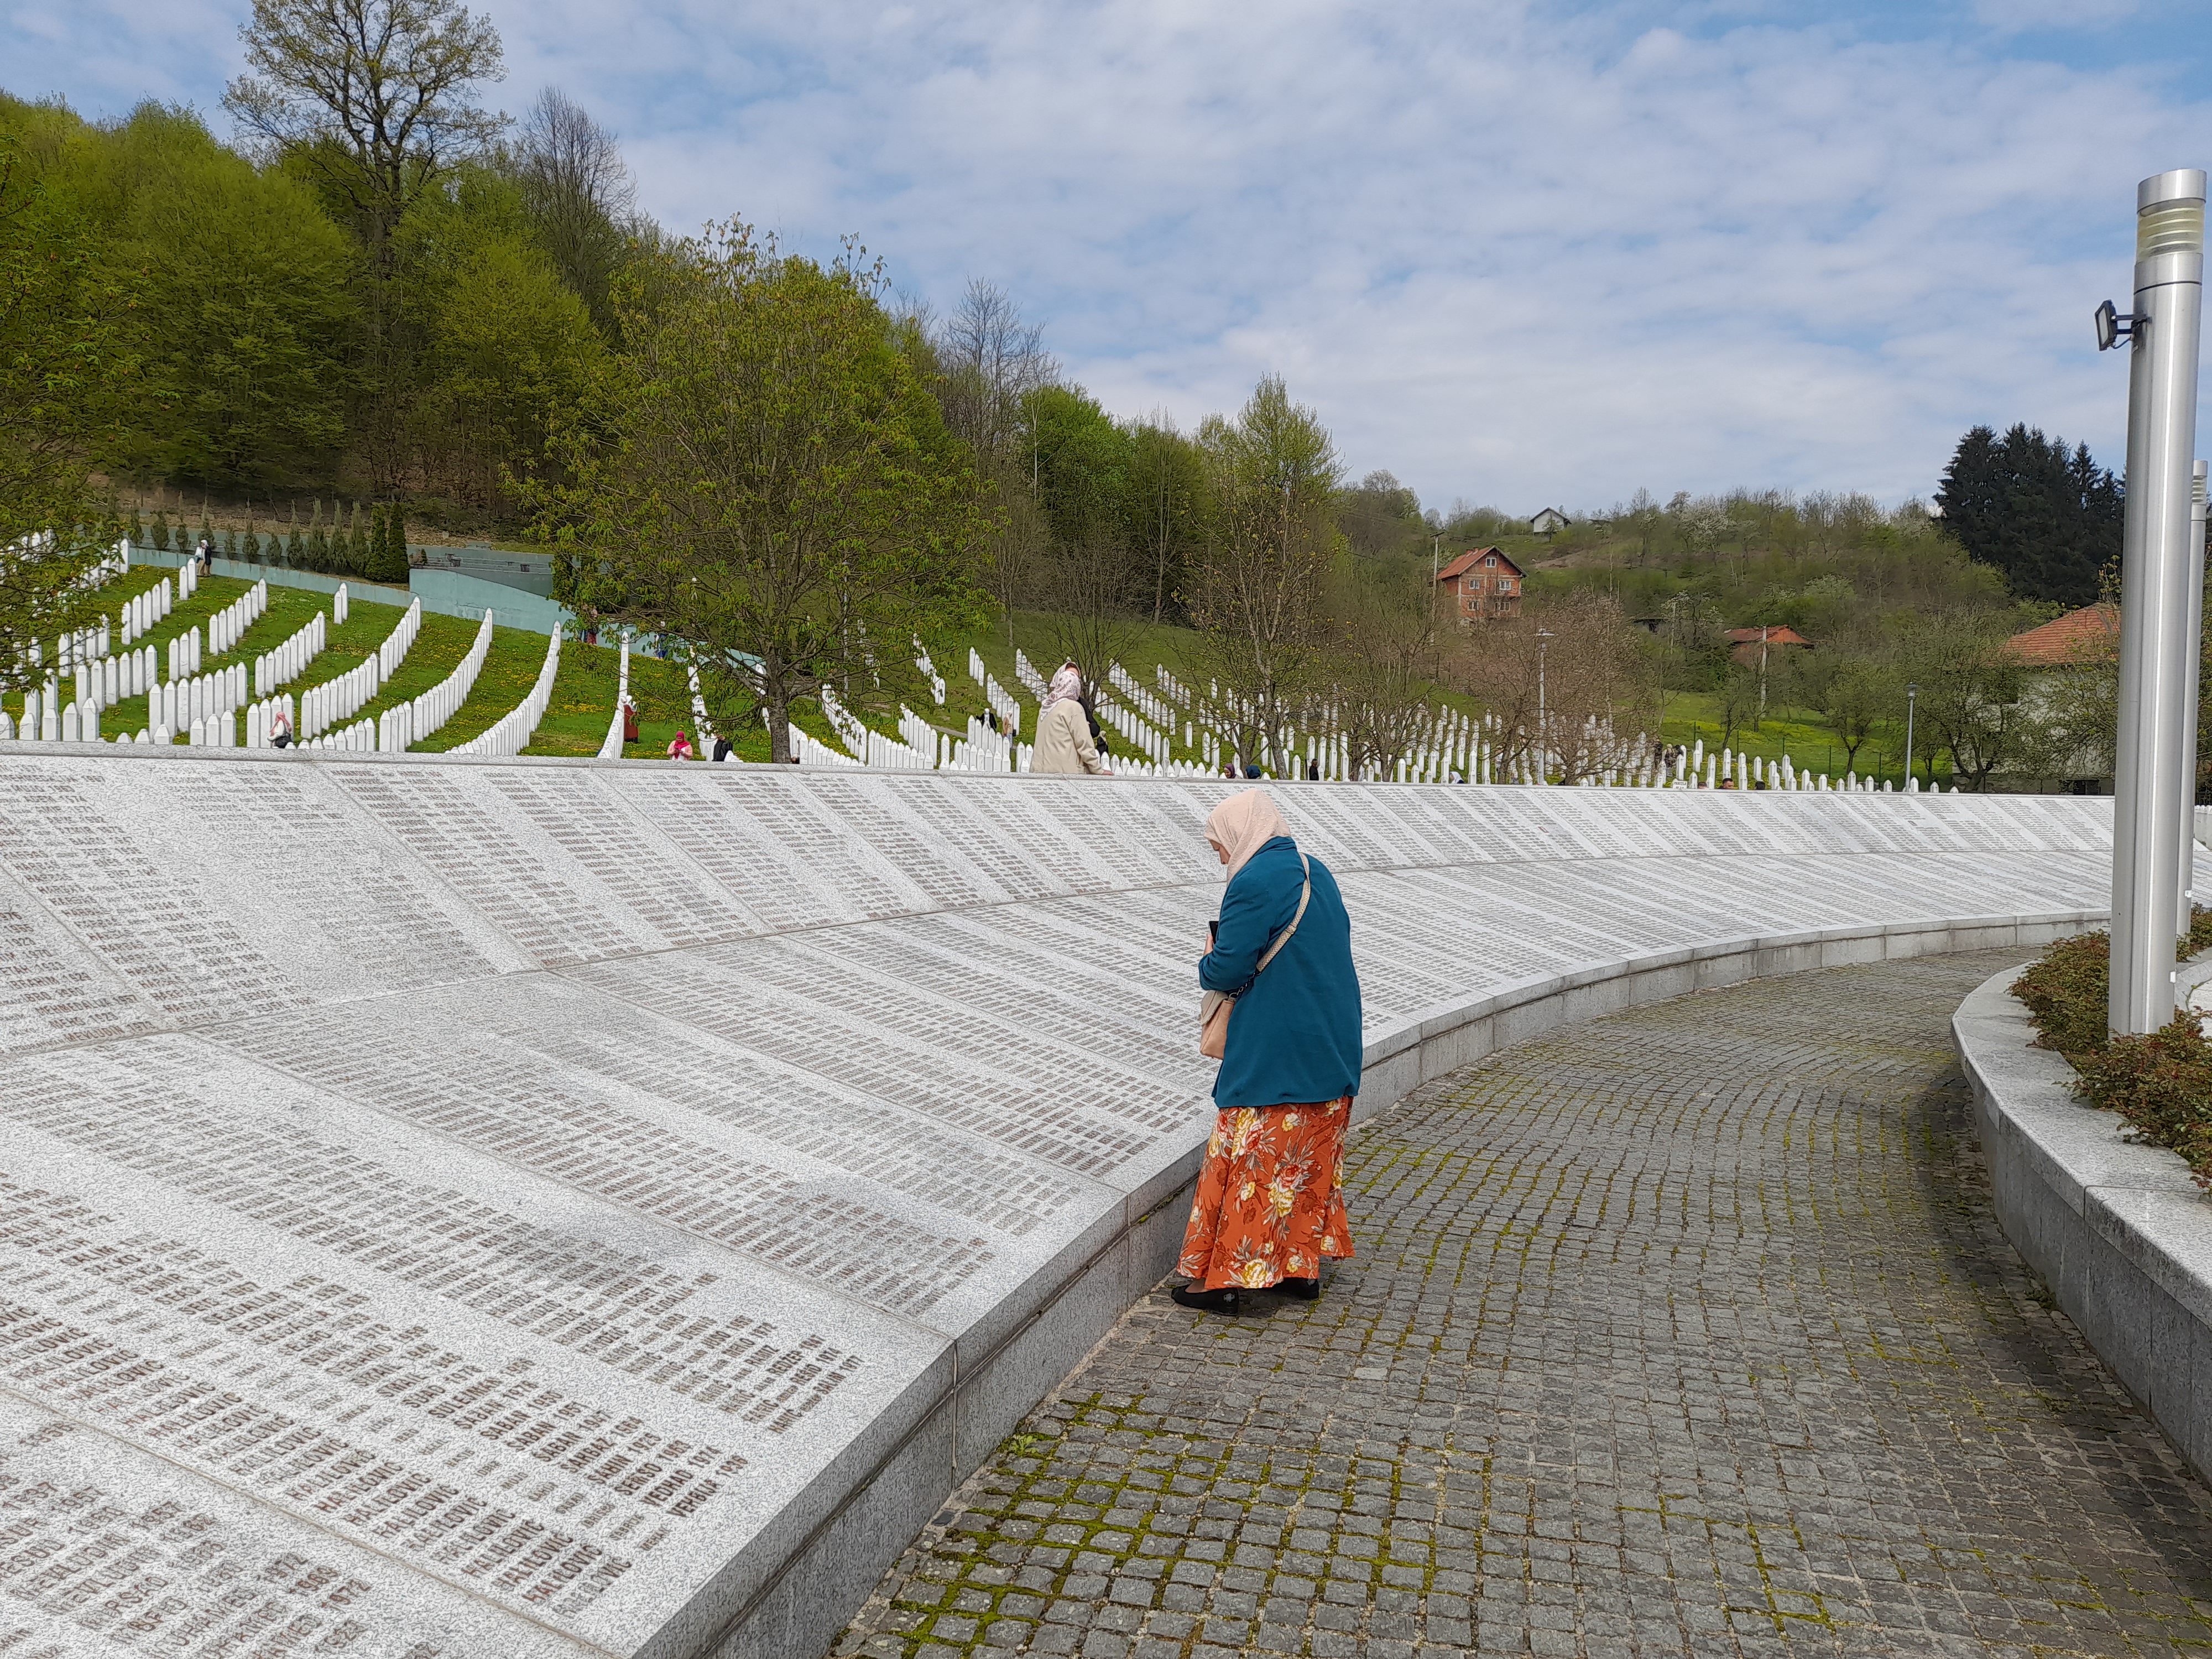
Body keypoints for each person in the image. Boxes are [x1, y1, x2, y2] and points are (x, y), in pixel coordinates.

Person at [1175, 789, 1363, 1315]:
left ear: (1241, 834)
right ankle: (1300, 1270)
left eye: (1219, 845)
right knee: (1306, 1163)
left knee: (1251, 1162)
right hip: (1334, 1044)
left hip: (1279, 1051)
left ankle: (1225, 1281)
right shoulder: (1314, 869)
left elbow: (1229, 969)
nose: (1219, 857)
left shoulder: (1253, 882)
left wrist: (1206, 961)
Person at [1030, 663, 1112, 775]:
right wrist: (1097, 770)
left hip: (1042, 771)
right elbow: (1084, 742)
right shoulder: (1073, 707)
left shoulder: (1046, 707)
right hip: (1066, 773)